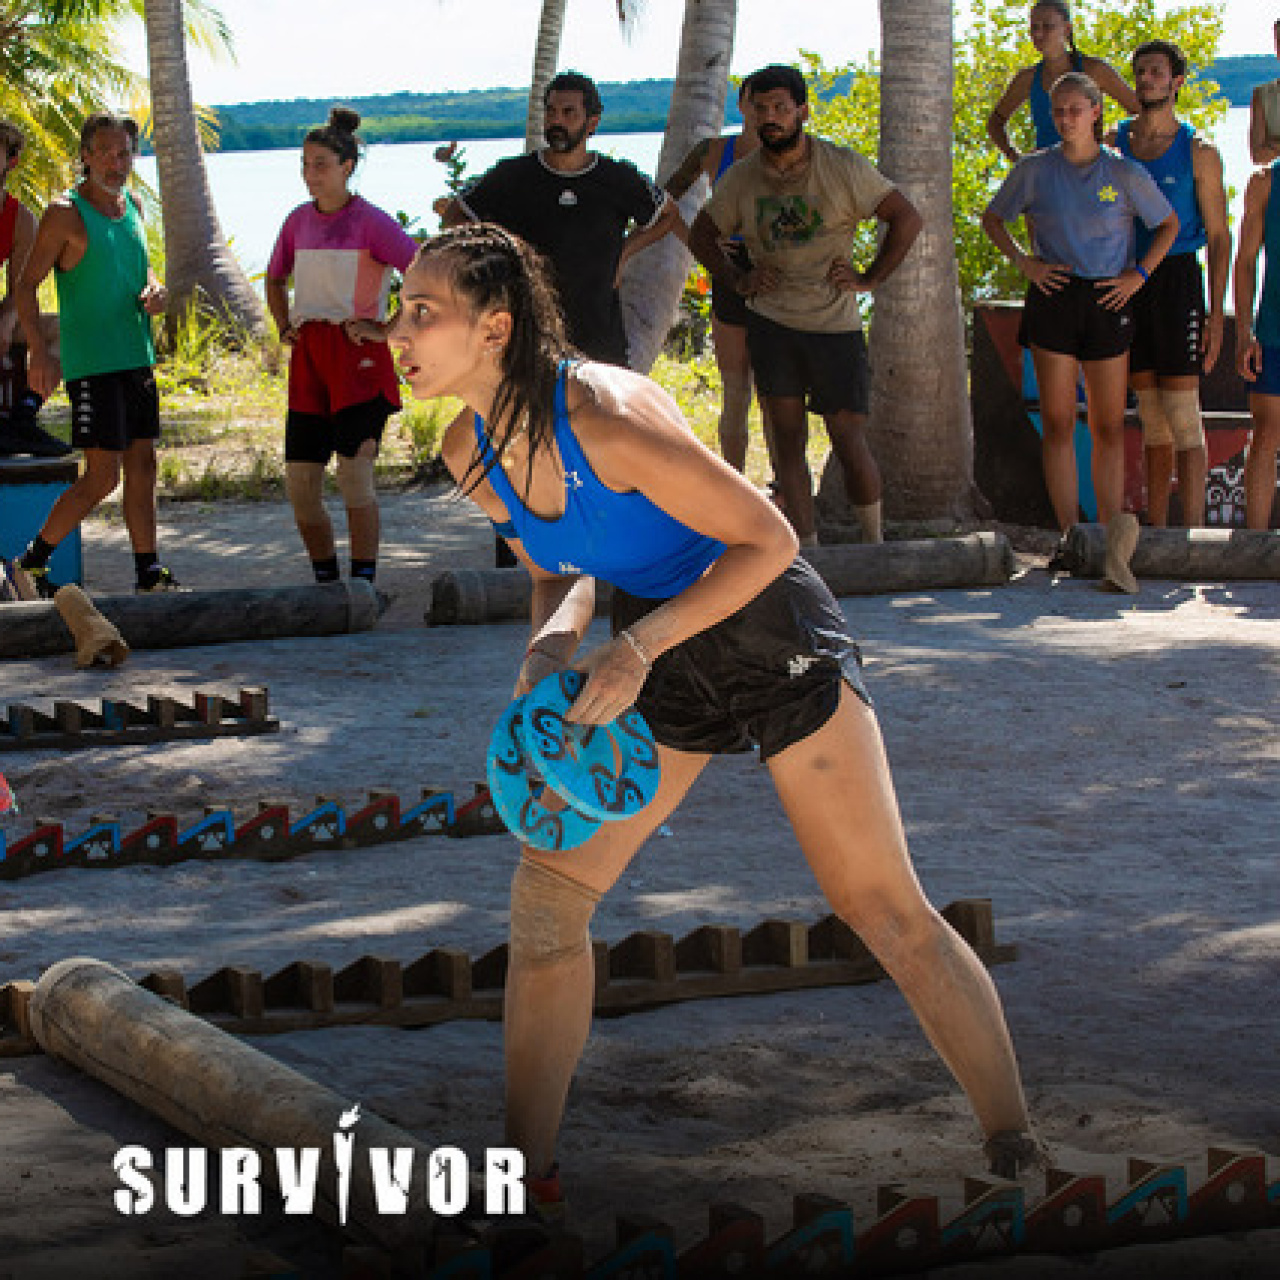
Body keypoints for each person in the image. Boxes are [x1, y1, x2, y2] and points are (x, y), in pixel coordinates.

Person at [388, 221, 1043, 1211]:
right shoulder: (465, 451)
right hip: (651, 650)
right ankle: (529, 1177)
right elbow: (559, 573)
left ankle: (1014, 1143)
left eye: (421, 311)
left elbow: (769, 538)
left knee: (881, 909)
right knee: (547, 903)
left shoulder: (604, 418)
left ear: (495, 327)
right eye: (399, 310)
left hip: (764, 623)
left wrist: (636, 648)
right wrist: (545, 658)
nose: (397, 331)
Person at [687, 64, 922, 547]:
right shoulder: (742, 177)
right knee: (787, 441)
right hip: (772, 324)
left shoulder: (842, 166)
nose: (770, 118)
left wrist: (870, 278)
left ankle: (874, 544)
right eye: (761, 109)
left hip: (835, 326)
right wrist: (738, 279)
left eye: (780, 108)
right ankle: (809, 551)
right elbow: (701, 234)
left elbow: (906, 217)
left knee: (848, 437)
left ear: (802, 112)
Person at [982, 72, 1177, 594]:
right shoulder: (1034, 169)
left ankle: (1111, 538)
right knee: (1059, 421)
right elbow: (994, 219)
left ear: (1096, 112)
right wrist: (1025, 263)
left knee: (1108, 423)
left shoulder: (1123, 171)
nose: (1067, 119)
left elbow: (1169, 224)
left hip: (1108, 297)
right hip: (1054, 295)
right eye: (1059, 110)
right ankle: (1069, 536)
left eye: (1076, 109)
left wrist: (1139, 276)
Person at [11, 112, 177, 597]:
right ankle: (32, 561)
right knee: (102, 477)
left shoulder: (133, 205)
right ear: (85, 155)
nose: (115, 163)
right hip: (93, 365)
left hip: (136, 354)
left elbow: (142, 271)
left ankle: (148, 573)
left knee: (144, 467)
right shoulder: (64, 213)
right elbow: (25, 286)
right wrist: (39, 353)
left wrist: (155, 290)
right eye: (104, 153)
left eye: (124, 153)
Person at [265, 107, 418, 586]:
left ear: (347, 166)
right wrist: (283, 324)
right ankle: (328, 586)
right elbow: (274, 278)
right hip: (309, 360)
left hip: (358, 359)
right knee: (301, 486)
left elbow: (425, 275)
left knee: (355, 479)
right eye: (305, 164)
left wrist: (387, 329)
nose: (310, 174)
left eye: (321, 164)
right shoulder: (296, 222)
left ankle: (363, 585)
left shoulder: (371, 222)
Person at [442, 71, 678, 369]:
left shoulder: (616, 178)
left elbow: (668, 214)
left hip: (600, 344)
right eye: (551, 112)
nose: (557, 121)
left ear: (592, 123)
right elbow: (455, 217)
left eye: (569, 113)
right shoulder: (513, 176)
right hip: (529, 342)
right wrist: (492, 262)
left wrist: (624, 253)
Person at [1112, 40, 1230, 528]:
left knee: (1183, 415)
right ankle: (1157, 533)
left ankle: (1195, 537)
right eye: (1140, 72)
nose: (1146, 80)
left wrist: (1216, 315)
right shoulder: (1116, 143)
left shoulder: (1199, 152)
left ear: (1177, 82)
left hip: (1179, 279)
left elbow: (1220, 236)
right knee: (1151, 416)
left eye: (1157, 72)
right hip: (1128, 280)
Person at [663, 76, 769, 473]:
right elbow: (663, 200)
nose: (763, 114)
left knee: (775, 393)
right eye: (756, 104)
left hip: (777, 272)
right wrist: (698, 242)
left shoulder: (791, 153)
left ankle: (783, 487)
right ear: (741, 106)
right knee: (735, 390)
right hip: (728, 269)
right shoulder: (712, 151)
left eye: (773, 106)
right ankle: (735, 483)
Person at [987, 0, 1138, 164]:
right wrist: (1018, 160)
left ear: (1067, 29)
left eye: (1047, 26)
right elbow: (995, 122)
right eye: (1034, 28)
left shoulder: (1094, 70)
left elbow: (1139, 110)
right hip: (1047, 171)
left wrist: (1114, 136)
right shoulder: (1027, 78)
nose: (1039, 34)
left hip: (1089, 168)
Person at [0, 119, 69, 459]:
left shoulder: (20, 220)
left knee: (69, 330)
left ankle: (22, 418)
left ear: (10, 161)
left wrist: (5, 322)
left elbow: (21, 288)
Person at [1233, 161, 1280, 530]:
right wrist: (1244, 332)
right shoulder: (1266, 181)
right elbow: (1245, 261)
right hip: (1273, 331)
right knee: (1265, 433)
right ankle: (1256, 542)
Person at [1248, 20, 1280, 167]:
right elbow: (1258, 156)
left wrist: (1273, 144)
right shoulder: (1262, 95)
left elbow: (1265, 152)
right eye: (1278, 41)